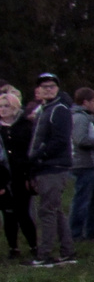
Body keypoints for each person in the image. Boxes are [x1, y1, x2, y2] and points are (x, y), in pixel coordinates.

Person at [27, 74, 76, 267]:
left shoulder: (59, 110)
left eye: (52, 86)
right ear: (38, 90)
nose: (48, 89)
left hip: (53, 166)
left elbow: (60, 140)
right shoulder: (44, 110)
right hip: (45, 166)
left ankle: (45, 254)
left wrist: (39, 156)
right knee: (54, 210)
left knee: (47, 211)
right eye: (44, 86)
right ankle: (67, 251)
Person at [68, 88, 94, 241]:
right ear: (85, 102)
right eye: (93, 102)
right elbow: (81, 140)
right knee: (82, 200)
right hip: (84, 164)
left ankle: (92, 231)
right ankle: (75, 233)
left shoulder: (83, 117)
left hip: (89, 164)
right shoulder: (81, 118)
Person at [0, 91, 36, 259]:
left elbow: (31, 152)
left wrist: (30, 175)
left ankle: (34, 245)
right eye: (0, 106)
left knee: (23, 212)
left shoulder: (25, 126)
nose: (3, 109)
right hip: (3, 178)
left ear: (14, 107)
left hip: (21, 175)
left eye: (6, 106)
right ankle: (13, 247)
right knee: (8, 214)